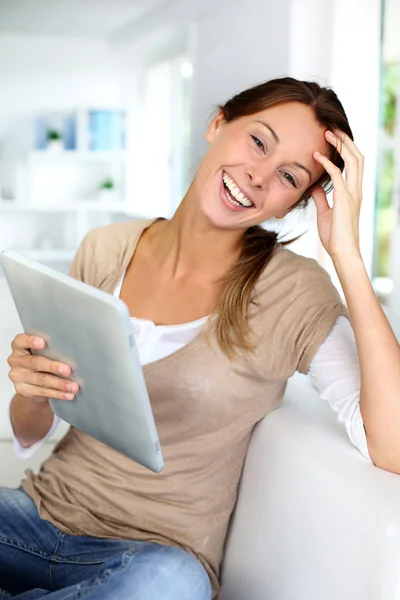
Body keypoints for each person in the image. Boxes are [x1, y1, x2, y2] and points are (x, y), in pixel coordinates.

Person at [1, 76, 400, 600]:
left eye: (288, 176)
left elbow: (393, 446)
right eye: (258, 141)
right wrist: (32, 391)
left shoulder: (294, 292)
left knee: (170, 585)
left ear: (292, 204)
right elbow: (30, 431)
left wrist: (346, 253)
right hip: (34, 518)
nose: (257, 177)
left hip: (151, 558)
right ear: (218, 123)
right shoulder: (105, 247)